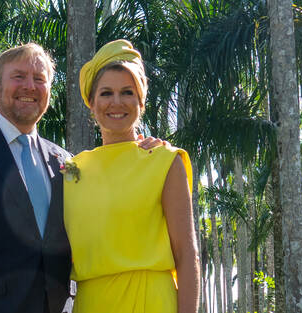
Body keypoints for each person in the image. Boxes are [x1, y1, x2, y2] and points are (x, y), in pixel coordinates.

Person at [0, 42, 164, 313]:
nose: (30, 86)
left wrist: (139, 151)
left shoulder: (66, 161)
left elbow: (109, 210)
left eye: (39, 79)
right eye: (19, 76)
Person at [63, 39, 200, 313]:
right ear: (91, 103)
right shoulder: (71, 170)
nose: (116, 102)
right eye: (106, 93)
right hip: (92, 303)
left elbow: (187, 255)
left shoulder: (164, 160)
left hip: (151, 301)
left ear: (141, 101)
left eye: (127, 92)